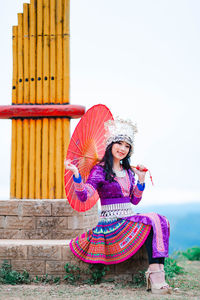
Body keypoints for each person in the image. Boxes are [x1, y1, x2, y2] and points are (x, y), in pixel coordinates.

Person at [64, 118, 171, 294]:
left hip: (127, 218)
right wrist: (76, 174)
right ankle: (155, 278)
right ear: (110, 145)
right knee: (152, 219)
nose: (122, 148)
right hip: (111, 222)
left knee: (161, 220)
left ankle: (158, 275)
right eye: (119, 143)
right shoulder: (99, 170)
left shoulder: (129, 171)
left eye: (127, 146)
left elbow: (134, 200)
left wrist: (141, 180)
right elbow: (84, 195)